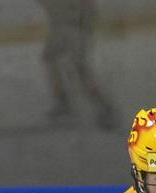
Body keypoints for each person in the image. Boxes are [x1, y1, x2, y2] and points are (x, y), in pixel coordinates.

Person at [35, 0, 117, 129]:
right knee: (51, 58)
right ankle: (64, 101)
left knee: (79, 69)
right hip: (63, 23)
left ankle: (105, 107)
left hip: (73, 23)